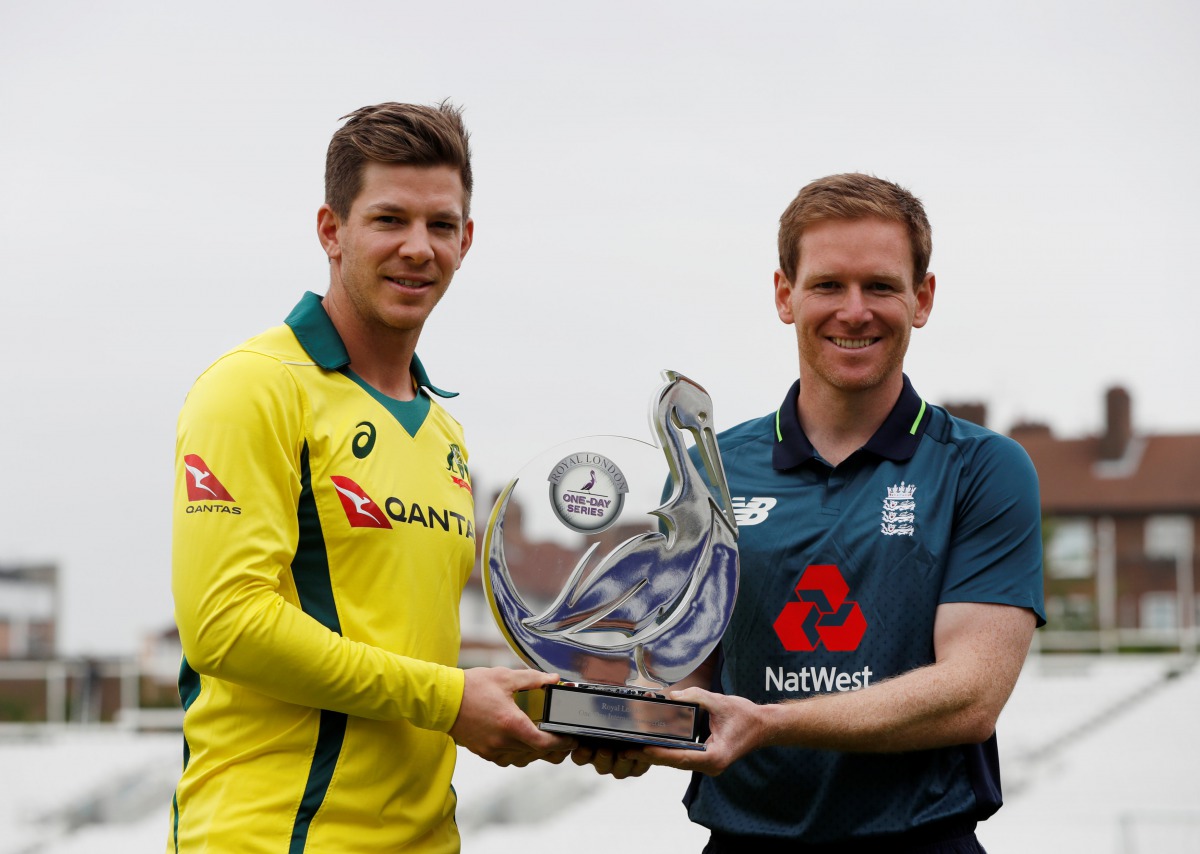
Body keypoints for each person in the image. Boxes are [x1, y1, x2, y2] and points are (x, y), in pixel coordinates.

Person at [579, 173, 1044, 852]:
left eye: (880, 286)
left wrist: (769, 724)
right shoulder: (711, 469)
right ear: (784, 295)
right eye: (828, 285)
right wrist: (621, 718)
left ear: (922, 299)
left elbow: (971, 697)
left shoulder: (983, 468)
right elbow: (686, 671)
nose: (854, 312)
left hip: (922, 839)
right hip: (742, 841)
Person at [169, 101, 572, 853]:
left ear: (466, 241)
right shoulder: (253, 386)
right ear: (332, 230)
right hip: (275, 838)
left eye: (441, 225)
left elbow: (402, 651)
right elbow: (227, 626)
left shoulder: (444, 432)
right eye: (389, 220)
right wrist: (450, 698)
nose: (418, 248)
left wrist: (554, 709)